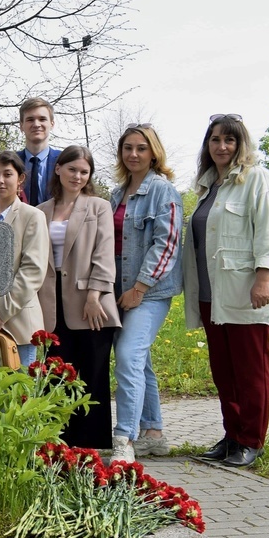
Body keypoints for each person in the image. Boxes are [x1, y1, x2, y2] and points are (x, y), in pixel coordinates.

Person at [184, 114, 269, 468]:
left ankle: (252, 440)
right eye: (215, 140)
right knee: (224, 371)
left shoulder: (257, 180)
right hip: (211, 295)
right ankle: (232, 435)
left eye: (229, 140)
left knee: (250, 370)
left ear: (240, 145)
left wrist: (264, 278)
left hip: (245, 291)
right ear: (207, 145)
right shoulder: (208, 187)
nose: (221, 146)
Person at [109, 124, 183, 462]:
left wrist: (140, 287)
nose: (133, 154)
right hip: (119, 290)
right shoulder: (116, 194)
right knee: (141, 362)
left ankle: (124, 438)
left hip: (149, 291)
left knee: (127, 357)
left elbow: (166, 244)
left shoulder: (162, 191)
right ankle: (153, 433)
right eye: (128, 148)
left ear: (153, 152)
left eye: (141, 148)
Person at [37, 145, 120, 449]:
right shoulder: (41, 210)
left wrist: (95, 294)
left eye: (84, 172)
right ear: (58, 169)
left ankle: (93, 446)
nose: (78, 176)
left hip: (91, 302)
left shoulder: (98, 207)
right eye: (72, 169)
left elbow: (104, 253)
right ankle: (58, 443)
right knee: (56, 374)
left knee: (93, 376)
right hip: (51, 302)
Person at [0, 152, 49, 366]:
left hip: (18, 320)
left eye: (7, 174)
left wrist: (3, 311)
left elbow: (33, 271)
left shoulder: (32, 216)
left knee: (22, 394)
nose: (0, 180)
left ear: (20, 179)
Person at [17, 97, 62, 206]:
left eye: (42, 119)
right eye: (30, 119)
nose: (36, 124)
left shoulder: (64, 161)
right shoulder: (10, 161)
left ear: (52, 124)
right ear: (21, 125)